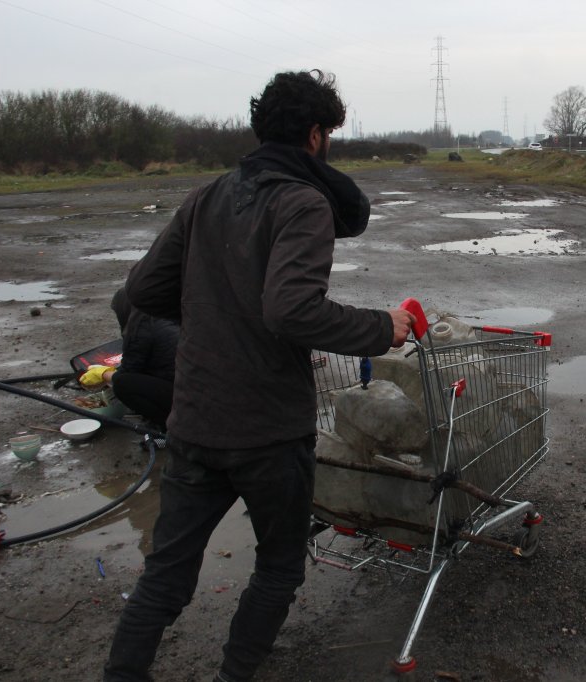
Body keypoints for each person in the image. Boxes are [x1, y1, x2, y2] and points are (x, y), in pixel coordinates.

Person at [103, 70, 415, 681]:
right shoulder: (304, 201)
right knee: (277, 567)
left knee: (165, 577)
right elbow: (292, 309)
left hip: (194, 420)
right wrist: (385, 326)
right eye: (327, 133)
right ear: (316, 134)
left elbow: (142, 290)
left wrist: (215, 318)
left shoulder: (208, 196)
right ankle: (235, 674)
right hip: (268, 430)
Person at [79, 287, 179, 430]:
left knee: (122, 384)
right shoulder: (163, 317)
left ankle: (167, 426)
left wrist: (102, 373)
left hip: (184, 398)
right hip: (201, 391)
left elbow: (126, 374)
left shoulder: (141, 326)